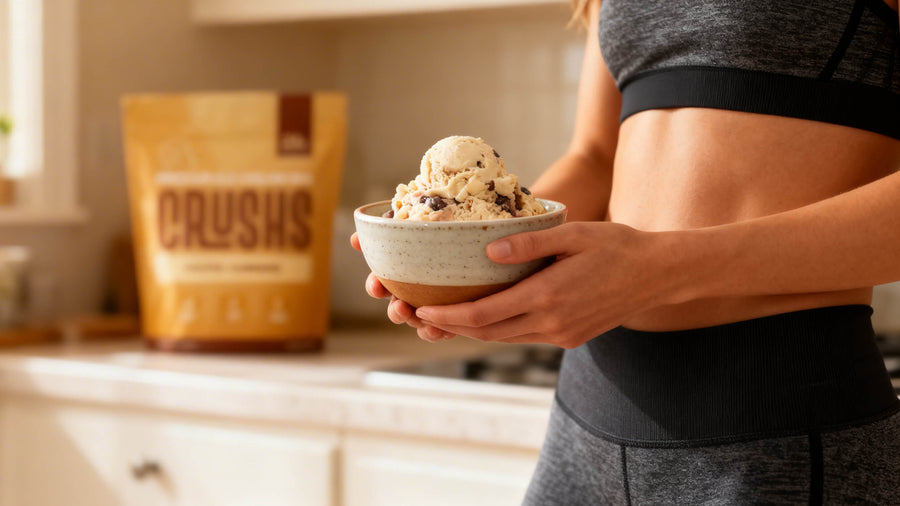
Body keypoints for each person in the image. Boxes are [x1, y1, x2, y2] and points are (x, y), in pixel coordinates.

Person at [351, 0, 900, 503]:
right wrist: (488, 254)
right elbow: (593, 155)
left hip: (780, 429)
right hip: (585, 419)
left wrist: (661, 269)